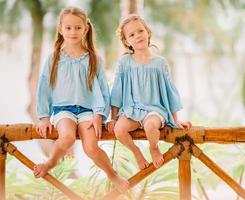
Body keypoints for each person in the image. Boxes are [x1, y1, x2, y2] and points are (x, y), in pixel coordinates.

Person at [34, 6, 129, 192]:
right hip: (63, 110)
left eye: (78, 28)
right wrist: (44, 117)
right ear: (60, 29)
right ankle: (50, 163)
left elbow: (103, 90)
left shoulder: (93, 58)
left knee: (91, 147)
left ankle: (112, 174)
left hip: (88, 112)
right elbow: (44, 87)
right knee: (67, 137)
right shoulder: (53, 58)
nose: (73, 32)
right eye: (68, 28)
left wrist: (99, 114)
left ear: (85, 29)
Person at [106, 15, 192, 169]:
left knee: (151, 126)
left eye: (140, 31)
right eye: (132, 35)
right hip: (132, 110)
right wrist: (113, 118)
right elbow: (117, 92)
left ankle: (154, 147)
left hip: (154, 111)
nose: (137, 35)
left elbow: (169, 93)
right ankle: (136, 152)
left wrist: (175, 120)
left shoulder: (160, 63)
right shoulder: (124, 63)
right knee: (119, 130)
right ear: (126, 41)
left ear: (148, 33)